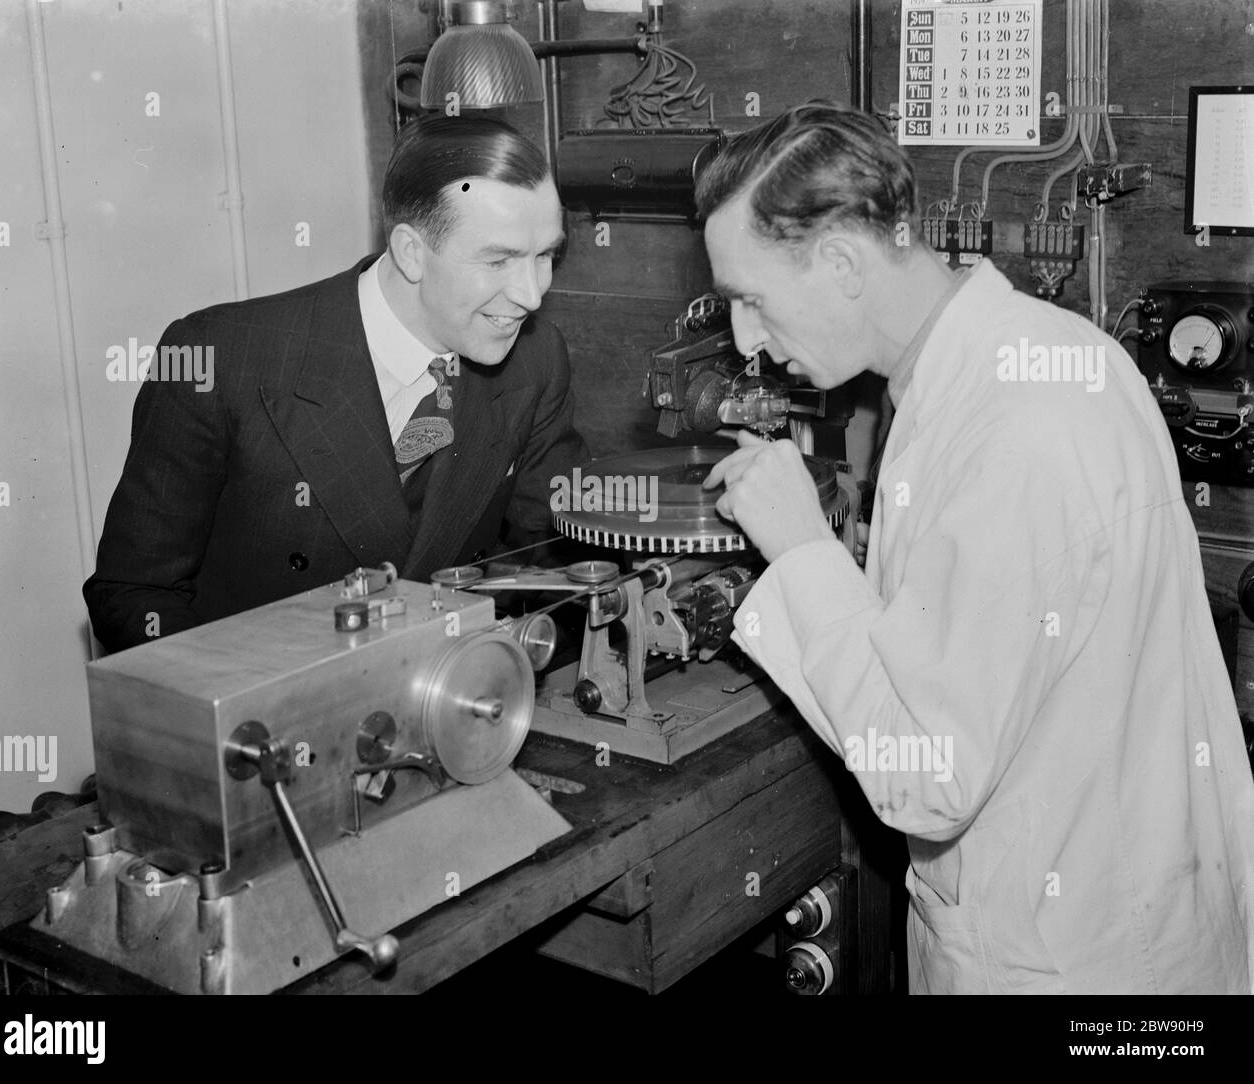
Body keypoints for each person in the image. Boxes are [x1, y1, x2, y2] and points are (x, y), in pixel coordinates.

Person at [700, 102, 1254, 993]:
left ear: (841, 261)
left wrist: (801, 547)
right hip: (1135, 919)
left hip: (1070, 964)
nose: (748, 344)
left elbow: (926, 776)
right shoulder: (1043, 352)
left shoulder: (1010, 425)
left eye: (750, 301)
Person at [84, 115, 586, 653]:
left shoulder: (536, 360)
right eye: (500, 260)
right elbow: (134, 595)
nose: (532, 295)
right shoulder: (221, 358)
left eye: (545, 256)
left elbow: (555, 558)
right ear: (411, 252)